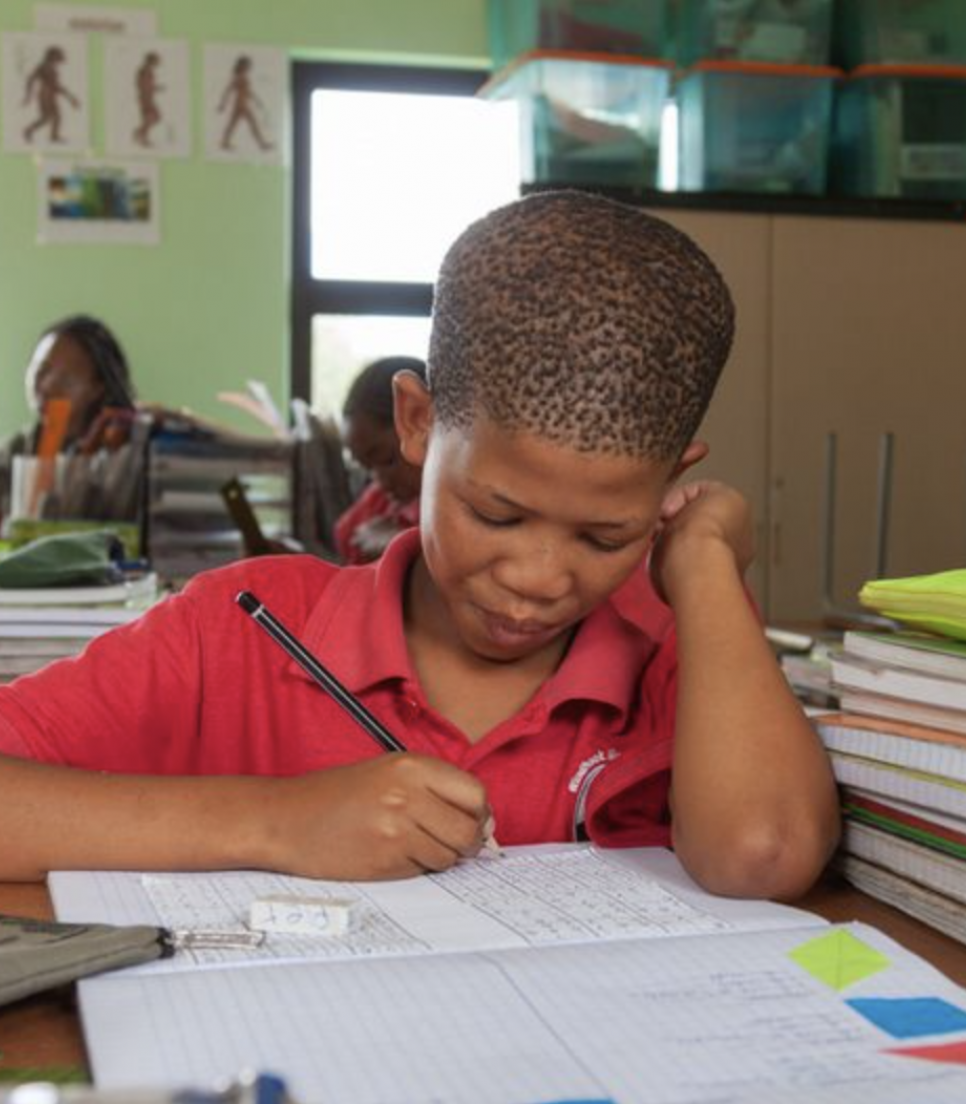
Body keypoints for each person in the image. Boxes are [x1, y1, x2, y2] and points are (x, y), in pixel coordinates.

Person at [0, 192, 840, 893]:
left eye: (604, 535)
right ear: (416, 423)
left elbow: (763, 855)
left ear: (666, 488)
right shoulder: (243, 628)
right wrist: (277, 822)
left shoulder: (676, 639)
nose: (538, 577)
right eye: (497, 516)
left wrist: (703, 562)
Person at [0, 315, 137, 524]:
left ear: (97, 387)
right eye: (41, 371)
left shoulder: (122, 456)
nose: (46, 387)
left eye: (65, 379)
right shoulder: (14, 451)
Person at [334, 356, 425, 564]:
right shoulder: (380, 501)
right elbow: (345, 542)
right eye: (368, 469)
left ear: (423, 423)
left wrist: (406, 545)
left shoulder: (464, 503)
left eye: (387, 460)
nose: (381, 482)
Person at [21, 45, 80, 145]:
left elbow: (56, 85)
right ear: (52, 56)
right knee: (46, 118)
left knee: (57, 117)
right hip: (46, 95)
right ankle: (28, 131)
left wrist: (71, 97)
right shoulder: (43, 66)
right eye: (57, 56)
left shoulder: (50, 67)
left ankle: (53, 136)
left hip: (51, 94)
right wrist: (28, 96)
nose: (59, 59)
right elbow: (30, 79)